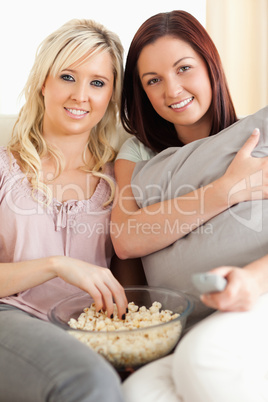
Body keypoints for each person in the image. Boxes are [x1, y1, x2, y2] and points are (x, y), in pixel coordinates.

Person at [109, 10, 268, 402]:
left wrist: (253, 281)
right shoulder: (137, 153)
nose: (172, 90)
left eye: (184, 69)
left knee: (201, 360)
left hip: (256, 295)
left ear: (209, 65)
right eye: (154, 80)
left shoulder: (255, 137)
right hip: (188, 320)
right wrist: (225, 189)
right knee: (137, 394)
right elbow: (127, 239)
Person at [0, 18, 130, 402]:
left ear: (110, 95)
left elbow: (128, 281)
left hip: (88, 330)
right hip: (12, 318)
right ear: (44, 82)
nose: (81, 95)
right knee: (88, 382)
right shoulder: (5, 170)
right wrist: (57, 265)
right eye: (68, 77)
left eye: (97, 82)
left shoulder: (118, 179)